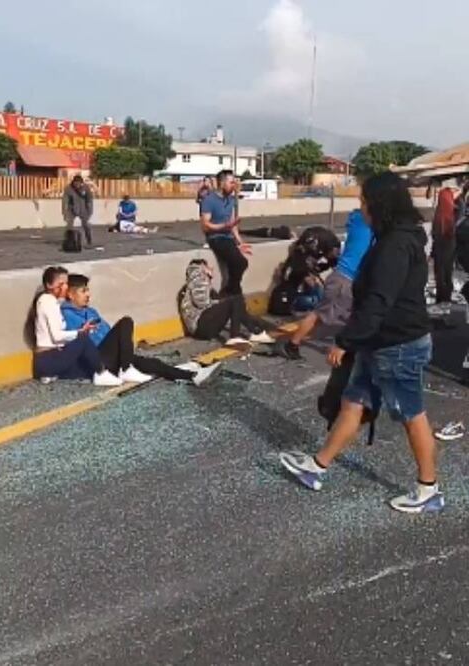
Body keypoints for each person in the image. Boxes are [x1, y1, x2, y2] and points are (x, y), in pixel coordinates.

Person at [279, 172, 440, 514]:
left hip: (398, 344)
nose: (361, 207)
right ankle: (317, 467)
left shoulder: (395, 245)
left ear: (379, 205)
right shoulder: (401, 236)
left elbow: (378, 302)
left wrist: (346, 341)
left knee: (411, 414)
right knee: (353, 403)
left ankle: (429, 489)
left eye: (365, 201)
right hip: (379, 344)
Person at [62, 274, 221, 387]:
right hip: (98, 362)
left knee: (152, 363)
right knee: (126, 322)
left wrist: (122, 350)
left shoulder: (91, 311)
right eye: (83, 291)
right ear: (70, 294)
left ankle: (193, 376)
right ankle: (126, 369)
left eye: (87, 290)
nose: (88, 295)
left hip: (110, 356)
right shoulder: (67, 315)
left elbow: (107, 333)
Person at [274, 211, 374, 360]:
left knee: (352, 315)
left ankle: (348, 346)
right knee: (320, 315)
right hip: (346, 278)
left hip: (350, 278)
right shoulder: (368, 222)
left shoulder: (358, 219)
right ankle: (292, 345)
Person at [28, 267, 120, 386]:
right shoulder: (48, 302)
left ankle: (53, 374)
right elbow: (57, 336)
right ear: (49, 285)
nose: (65, 287)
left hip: (52, 359)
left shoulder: (50, 301)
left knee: (87, 368)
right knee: (83, 340)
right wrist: (80, 333)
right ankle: (101, 374)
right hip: (48, 360)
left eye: (66, 283)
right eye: (61, 284)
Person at [179, 258, 276, 346]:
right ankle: (236, 336)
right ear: (202, 266)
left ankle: (255, 331)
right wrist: (205, 278)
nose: (211, 268)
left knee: (235, 301)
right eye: (207, 266)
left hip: (204, 327)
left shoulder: (199, 282)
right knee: (235, 300)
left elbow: (213, 303)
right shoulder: (198, 278)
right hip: (199, 326)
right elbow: (201, 302)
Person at [201, 170, 251, 296]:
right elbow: (205, 226)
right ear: (222, 183)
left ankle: (231, 290)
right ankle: (231, 290)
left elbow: (233, 225)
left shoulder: (231, 200)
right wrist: (224, 226)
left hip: (228, 238)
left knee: (240, 262)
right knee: (240, 262)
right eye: (231, 183)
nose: (234, 185)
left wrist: (240, 242)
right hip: (216, 237)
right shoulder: (209, 200)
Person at [430, 183, 457, 316]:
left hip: (443, 245)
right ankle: (445, 302)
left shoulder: (441, 215)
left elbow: (435, 233)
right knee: (446, 273)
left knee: (441, 274)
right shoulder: (450, 214)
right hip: (448, 245)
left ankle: (442, 301)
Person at [62, 175, 94, 246]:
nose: (77, 185)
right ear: (73, 182)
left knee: (85, 225)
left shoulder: (85, 188)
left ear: (81, 183)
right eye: (75, 183)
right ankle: (68, 241)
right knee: (69, 225)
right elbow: (65, 201)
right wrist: (64, 213)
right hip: (72, 209)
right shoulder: (68, 188)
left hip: (83, 209)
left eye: (79, 183)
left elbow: (89, 200)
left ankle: (89, 240)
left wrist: (90, 211)